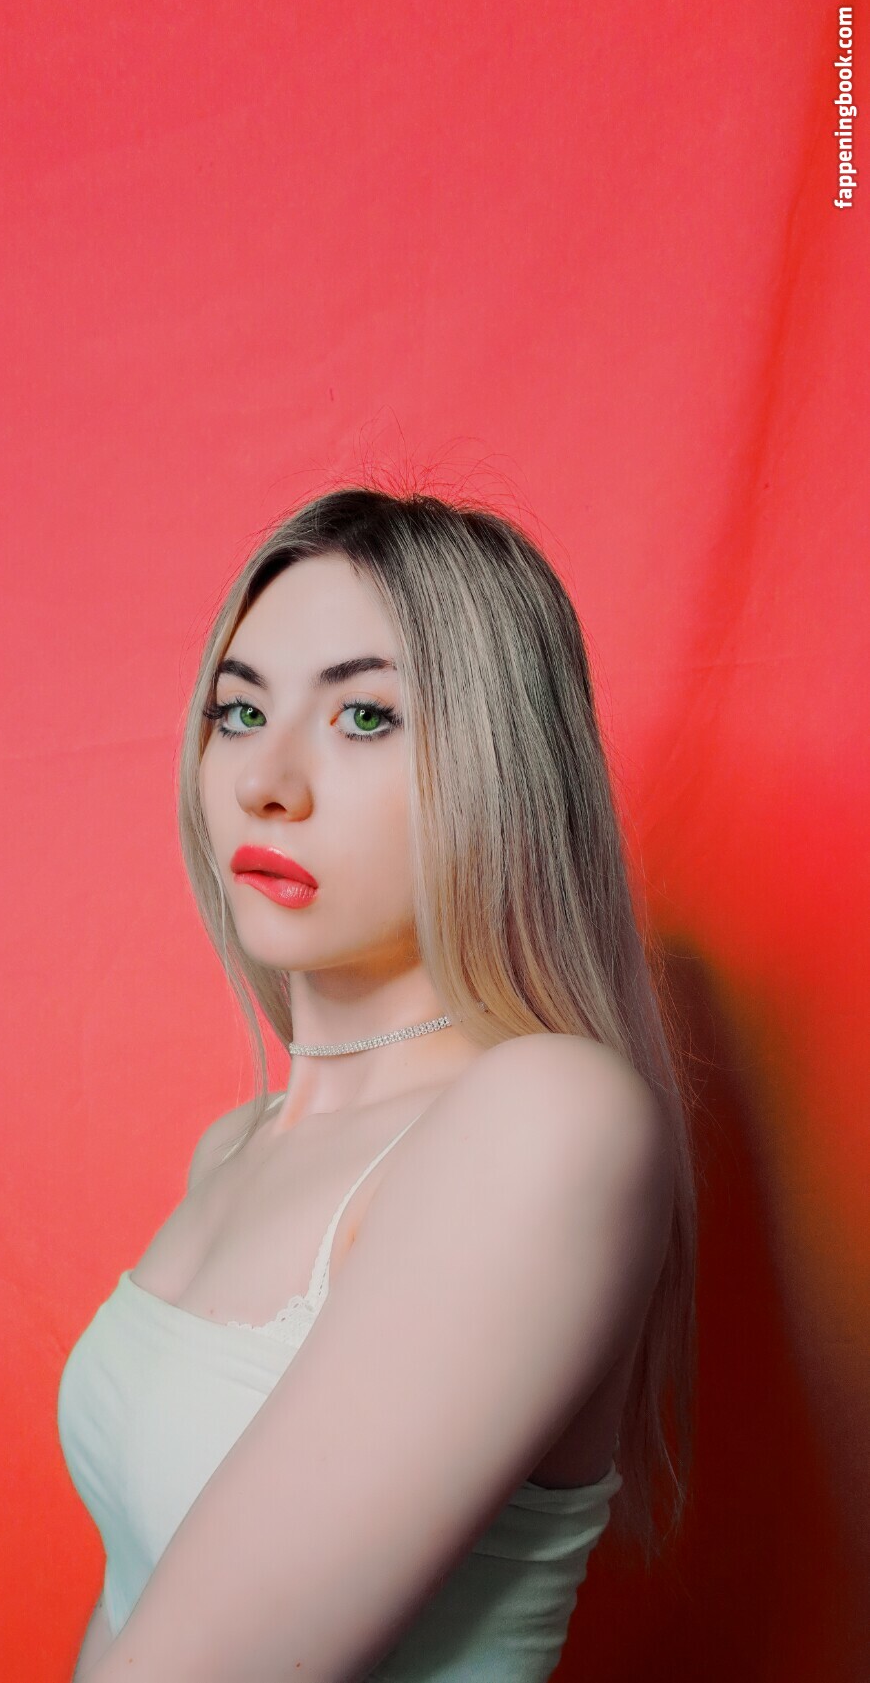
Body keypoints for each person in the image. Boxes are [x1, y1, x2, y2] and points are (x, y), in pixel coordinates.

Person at [57, 486, 697, 1681]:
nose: (266, 780)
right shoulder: (233, 1149)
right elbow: (132, 1612)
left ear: (500, 766)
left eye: (364, 716)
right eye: (239, 710)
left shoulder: (547, 1119)